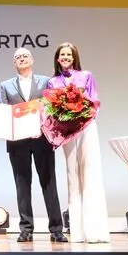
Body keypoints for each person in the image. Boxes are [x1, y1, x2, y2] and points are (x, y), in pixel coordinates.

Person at [0, 48, 67, 243]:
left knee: (49, 183)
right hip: (17, 142)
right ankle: (26, 229)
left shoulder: (46, 81)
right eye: (17, 57)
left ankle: (56, 229)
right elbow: (3, 112)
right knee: (22, 185)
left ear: (32, 60)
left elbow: (52, 107)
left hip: (41, 139)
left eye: (25, 56)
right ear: (14, 63)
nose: (21, 59)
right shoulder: (5, 85)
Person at [46, 42, 109, 244]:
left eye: (69, 54)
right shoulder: (52, 82)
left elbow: (95, 102)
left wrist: (81, 114)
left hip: (86, 128)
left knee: (90, 173)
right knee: (72, 176)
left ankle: (95, 230)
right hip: (67, 132)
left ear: (74, 58)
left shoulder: (86, 76)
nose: (65, 57)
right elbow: (50, 110)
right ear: (57, 59)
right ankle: (78, 231)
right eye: (62, 54)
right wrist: (64, 116)